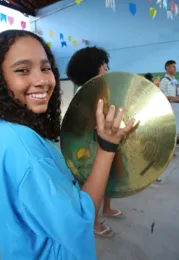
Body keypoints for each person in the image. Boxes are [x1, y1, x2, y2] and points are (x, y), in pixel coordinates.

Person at [0, 30, 134, 259]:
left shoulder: (4, 129)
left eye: (45, 68)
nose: (42, 80)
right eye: (22, 70)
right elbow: (79, 220)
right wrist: (107, 147)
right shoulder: (26, 152)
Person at [66, 47, 124, 238]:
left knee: (110, 175)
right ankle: (94, 222)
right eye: (102, 64)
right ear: (93, 68)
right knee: (94, 181)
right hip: (91, 145)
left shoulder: (102, 89)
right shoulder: (87, 94)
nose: (106, 68)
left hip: (107, 140)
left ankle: (107, 208)